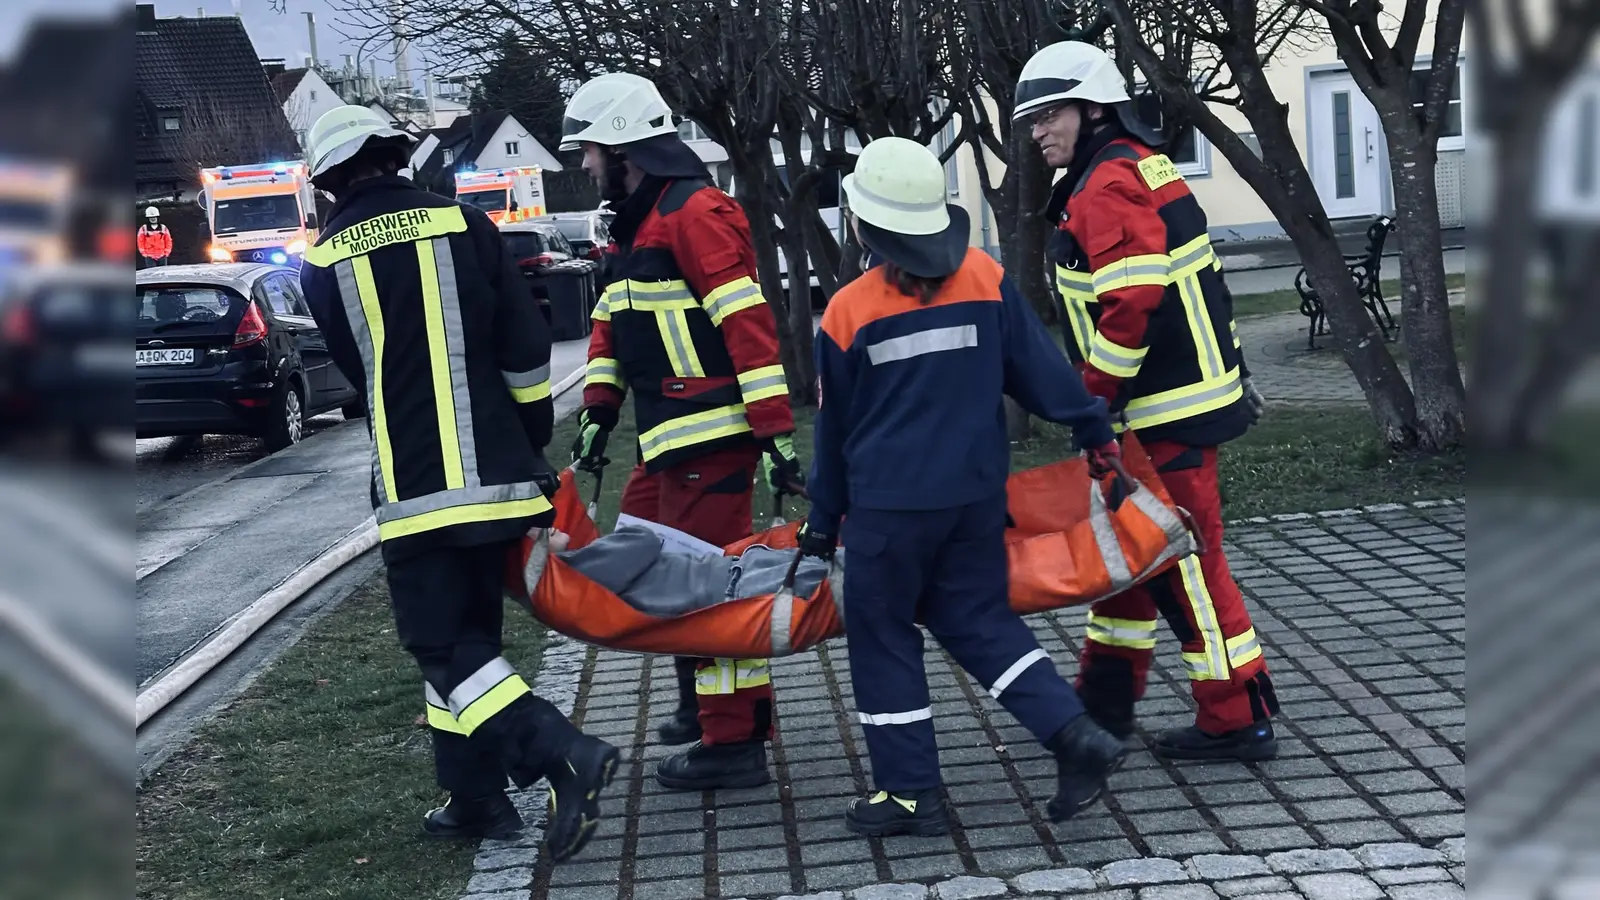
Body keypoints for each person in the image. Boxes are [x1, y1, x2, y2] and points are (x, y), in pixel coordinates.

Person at [297, 105, 619, 861]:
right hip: (502, 473)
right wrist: (527, 432)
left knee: (443, 645)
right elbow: (525, 341)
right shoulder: (468, 226)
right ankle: (473, 796)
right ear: (394, 156)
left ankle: (561, 752)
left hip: (415, 490)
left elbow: (361, 377)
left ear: (330, 182)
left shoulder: (320, 264)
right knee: (471, 641)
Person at [796, 136, 1130, 837]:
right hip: (976, 498)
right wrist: (1095, 434)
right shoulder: (985, 276)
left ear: (866, 224)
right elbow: (1042, 371)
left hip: (889, 510)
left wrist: (823, 522)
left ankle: (910, 793)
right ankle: (1076, 737)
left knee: (883, 636)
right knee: (976, 621)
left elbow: (834, 435)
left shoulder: (848, 311)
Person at [1012, 41, 1280, 764]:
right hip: (1175, 403)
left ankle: (1236, 717)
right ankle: (1105, 702)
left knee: (1187, 564)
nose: (1038, 132)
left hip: (1162, 412)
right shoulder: (1138, 163)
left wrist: (1092, 401)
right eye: (1032, 121)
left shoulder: (1107, 185)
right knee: (1135, 553)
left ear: (1093, 108)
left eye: (1048, 116)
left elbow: (1131, 305)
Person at [560, 73, 803, 791]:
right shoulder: (638, 221)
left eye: (590, 150)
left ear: (624, 146)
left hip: (712, 439)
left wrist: (775, 436)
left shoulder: (695, 213)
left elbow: (748, 326)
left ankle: (734, 741)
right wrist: (598, 415)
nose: (583, 164)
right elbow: (610, 326)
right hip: (665, 443)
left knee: (711, 592)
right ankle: (699, 703)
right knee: (651, 572)